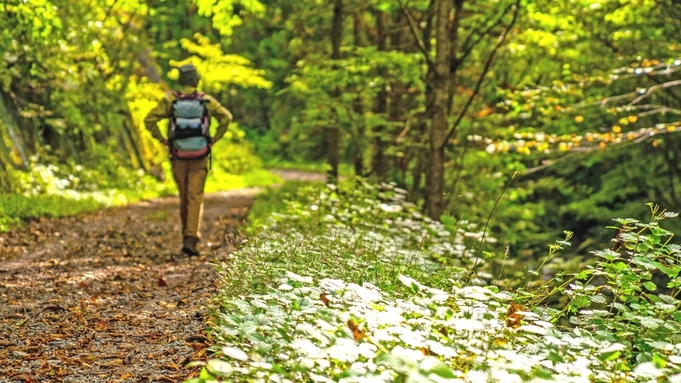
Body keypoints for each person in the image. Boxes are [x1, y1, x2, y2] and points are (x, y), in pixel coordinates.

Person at [144, 63, 233, 256]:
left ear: (179, 81)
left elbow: (149, 120)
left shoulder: (170, 100)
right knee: (195, 197)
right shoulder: (206, 101)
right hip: (200, 155)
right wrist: (214, 139)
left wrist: (163, 140)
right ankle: (190, 237)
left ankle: (187, 235)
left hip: (178, 156)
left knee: (184, 196)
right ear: (196, 81)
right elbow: (226, 117)